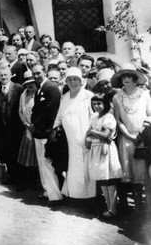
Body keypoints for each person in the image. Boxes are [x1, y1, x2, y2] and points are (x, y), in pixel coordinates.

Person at [112, 64, 151, 210]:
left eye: (130, 76)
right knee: (128, 171)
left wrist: (141, 131)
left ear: (135, 79)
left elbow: (149, 114)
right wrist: (128, 135)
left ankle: (143, 206)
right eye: (124, 76)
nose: (126, 79)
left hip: (142, 137)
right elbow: (118, 120)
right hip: (125, 138)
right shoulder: (117, 97)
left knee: (142, 172)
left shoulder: (144, 94)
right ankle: (129, 205)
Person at [54, 67, 96, 201]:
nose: (72, 82)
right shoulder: (64, 98)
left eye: (75, 79)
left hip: (86, 137)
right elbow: (59, 118)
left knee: (86, 165)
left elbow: (94, 118)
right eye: (70, 80)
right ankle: (75, 194)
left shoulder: (88, 96)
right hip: (70, 139)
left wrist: (90, 136)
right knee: (73, 164)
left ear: (81, 80)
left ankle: (90, 196)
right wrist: (51, 130)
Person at [30, 63, 63, 205]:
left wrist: (34, 125)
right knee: (42, 164)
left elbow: (50, 112)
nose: (36, 76)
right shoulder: (40, 88)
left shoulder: (51, 88)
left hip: (46, 132)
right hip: (39, 133)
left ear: (44, 71)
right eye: (34, 73)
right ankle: (47, 191)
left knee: (47, 164)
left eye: (38, 73)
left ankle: (55, 195)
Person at [85, 93, 122, 219]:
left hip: (106, 149)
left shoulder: (109, 117)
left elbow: (105, 135)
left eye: (99, 103)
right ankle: (108, 206)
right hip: (96, 149)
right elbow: (89, 138)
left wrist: (91, 132)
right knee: (101, 178)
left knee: (109, 178)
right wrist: (92, 135)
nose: (97, 106)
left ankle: (113, 209)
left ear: (106, 104)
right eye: (94, 104)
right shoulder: (94, 117)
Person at [0, 66, 25, 189]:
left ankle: (21, 181)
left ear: (10, 75)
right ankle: (11, 177)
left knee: (17, 154)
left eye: (6, 75)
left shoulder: (19, 88)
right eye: (1, 75)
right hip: (4, 128)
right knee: (8, 153)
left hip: (16, 127)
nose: (3, 77)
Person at [17, 71, 38, 182]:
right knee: (27, 156)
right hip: (27, 129)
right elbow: (20, 111)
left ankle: (37, 181)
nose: (30, 85)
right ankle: (28, 180)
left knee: (38, 156)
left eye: (32, 83)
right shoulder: (23, 95)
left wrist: (35, 126)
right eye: (27, 83)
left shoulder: (40, 93)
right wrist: (26, 124)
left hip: (38, 129)